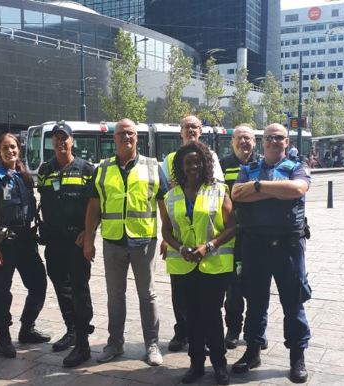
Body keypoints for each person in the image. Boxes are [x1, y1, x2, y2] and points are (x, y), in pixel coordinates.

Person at [83, 118, 168, 366]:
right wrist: (88, 239)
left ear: (137, 137)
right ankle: (114, 344)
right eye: (121, 133)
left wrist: (168, 238)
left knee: (148, 295)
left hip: (144, 242)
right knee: (115, 296)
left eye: (130, 133)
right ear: (114, 138)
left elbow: (164, 205)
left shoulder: (153, 167)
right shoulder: (103, 168)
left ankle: (152, 345)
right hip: (113, 241)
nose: (126, 137)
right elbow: (93, 207)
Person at [231, 123, 311, 383]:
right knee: (255, 302)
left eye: (280, 138)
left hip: (288, 247)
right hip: (255, 245)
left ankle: (297, 357)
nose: (275, 141)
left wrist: (256, 188)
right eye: (270, 138)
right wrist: (275, 190)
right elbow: (236, 194)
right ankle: (253, 351)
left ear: (286, 142)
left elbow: (297, 189)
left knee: (293, 302)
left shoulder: (297, 167)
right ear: (262, 141)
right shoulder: (247, 168)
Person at [161, 142, 235, 385]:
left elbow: (233, 226)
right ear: (181, 167)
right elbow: (167, 231)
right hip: (184, 265)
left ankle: (219, 365)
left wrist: (209, 246)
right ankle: (196, 365)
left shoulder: (218, 190)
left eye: (198, 161)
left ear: (205, 163)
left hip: (213, 265)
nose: (194, 166)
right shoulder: (170, 196)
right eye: (188, 163)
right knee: (191, 316)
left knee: (212, 314)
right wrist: (180, 248)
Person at [161, 114, 224, 352]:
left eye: (194, 127)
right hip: (180, 240)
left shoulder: (210, 158)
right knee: (180, 295)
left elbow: (216, 193)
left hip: (207, 243)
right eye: (186, 127)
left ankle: (208, 338)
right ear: (180, 132)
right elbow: (164, 198)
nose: (190, 130)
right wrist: (167, 238)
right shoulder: (168, 160)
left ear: (201, 131)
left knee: (209, 301)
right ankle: (183, 333)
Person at [0, 133, 50, 360]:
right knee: (2, 290)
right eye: (5, 148)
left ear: (18, 150)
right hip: (6, 241)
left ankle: (27, 328)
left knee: (39, 284)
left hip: (26, 240)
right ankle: (3, 336)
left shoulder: (24, 176)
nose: (10, 151)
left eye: (13, 147)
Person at [37, 122, 95, 367]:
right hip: (54, 240)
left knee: (79, 289)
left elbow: (94, 206)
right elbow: (42, 199)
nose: (61, 142)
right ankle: (72, 329)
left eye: (65, 138)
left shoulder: (86, 169)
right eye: (56, 138)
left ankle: (83, 345)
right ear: (52, 142)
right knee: (61, 286)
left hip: (77, 240)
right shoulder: (45, 169)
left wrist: (88, 234)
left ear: (72, 141)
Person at [219, 124, 263, 351]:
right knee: (233, 288)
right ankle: (234, 329)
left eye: (248, 138)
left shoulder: (262, 164)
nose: (244, 142)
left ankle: (257, 332)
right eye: (239, 138)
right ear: (232, 142)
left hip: (258, 235)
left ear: (254, 142)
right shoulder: (222, 165)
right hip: (232, 235)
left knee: (258, 286)